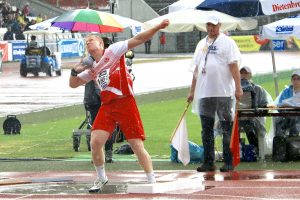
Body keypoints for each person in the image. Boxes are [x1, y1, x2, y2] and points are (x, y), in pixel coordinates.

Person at [69, 19, 170, 192]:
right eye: (86, 42)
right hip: (107, 106)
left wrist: (157, 27)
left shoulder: (114, 50)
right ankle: (102, 178)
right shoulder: (91, 68)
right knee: (95, 142)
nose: (88, 42)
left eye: (91, 39)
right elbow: (73, 84)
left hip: (125, 102)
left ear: (100, 43)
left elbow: (138, 39)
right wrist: (73, 71)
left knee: (136, 145)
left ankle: (151, 179)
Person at [187, 15, 243, 172]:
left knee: (226, 126)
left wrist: (238, 88)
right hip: (205, 93)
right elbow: (196, 69)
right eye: (208, 25)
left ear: (219, 26)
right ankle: (208, 161)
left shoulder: (227, 43)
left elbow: (234, 67)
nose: (210, 28)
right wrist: (192, 91)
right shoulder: (201, 44)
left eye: (213, 25)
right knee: (206, 128)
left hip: (223, 92)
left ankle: (229, 160)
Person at [81, 37, 115, 163]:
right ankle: (96, 154)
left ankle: (108, 152)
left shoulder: (112, 59)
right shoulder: (89, 59)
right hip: (94, 99)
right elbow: (82, 68)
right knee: (95, 127)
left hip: (107, 98)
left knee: (108, 126)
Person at [238, 66, 273, 154]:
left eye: (246, 73)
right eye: (241, 73)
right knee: (229, 126)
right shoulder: (233, 89)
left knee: (248, 125)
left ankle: (254, 150)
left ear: (250, 75)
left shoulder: (258, 89)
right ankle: (236, 151)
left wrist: (262, 108)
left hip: (253, 119)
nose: (243, 75)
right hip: (237, 119)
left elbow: (265, 104)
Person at [274, 70, 300, 137]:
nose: (296, 81)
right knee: (278, 122)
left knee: (294, 120)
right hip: (286, 116)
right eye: (294, 79)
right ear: (291, 80)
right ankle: (281, 143)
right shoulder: (286, 91)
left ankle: (293, 143)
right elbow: (279, 105)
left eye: (298, 79)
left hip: (298, 118)